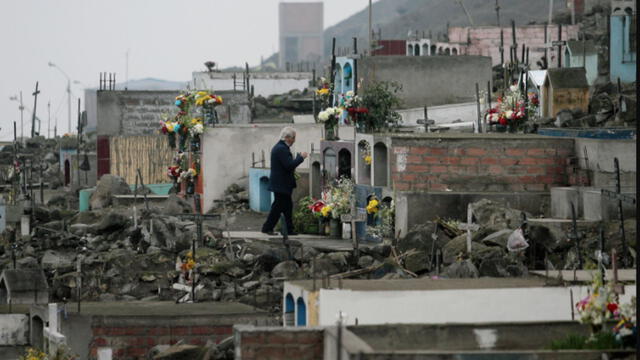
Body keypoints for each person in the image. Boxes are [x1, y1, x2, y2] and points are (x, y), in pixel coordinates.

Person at [261, 127, 308, 236]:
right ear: (287, 138)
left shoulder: (280, 147)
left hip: (281, 184)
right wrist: (301, 158)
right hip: (281, 184)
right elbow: (288, 166)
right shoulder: (281, 149)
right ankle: (268, 228)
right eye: (293, 138)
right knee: (278, 207)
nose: (294, 140)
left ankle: (288, 229)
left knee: (287, 207)